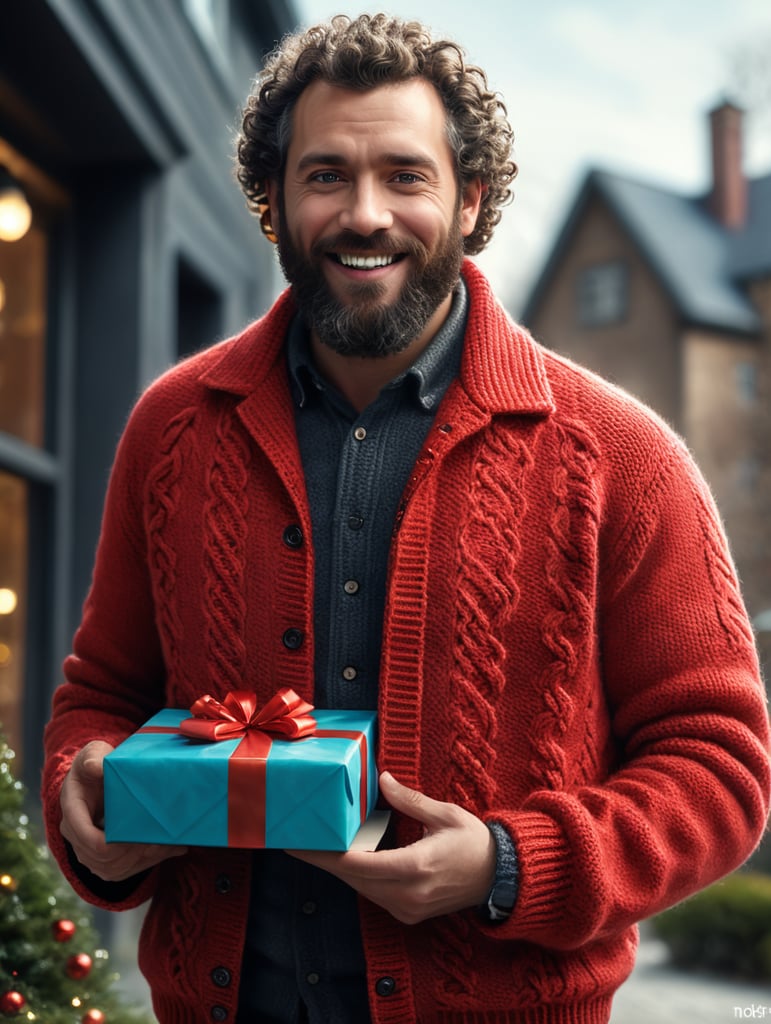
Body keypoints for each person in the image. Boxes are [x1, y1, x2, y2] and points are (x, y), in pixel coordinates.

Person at [43, 13, 770, 1024]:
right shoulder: (170, 429)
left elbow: (721, 767)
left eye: (406, 175)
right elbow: (100, 694)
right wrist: (85, 815)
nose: (366, 213)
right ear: (277, 202)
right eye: (327, 175)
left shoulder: (626, 458)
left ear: (470, 200)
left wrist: (508, 864)